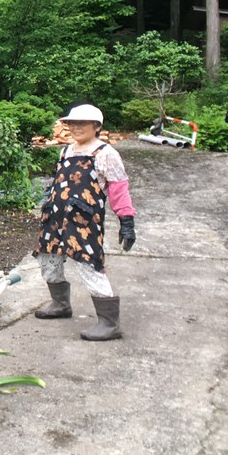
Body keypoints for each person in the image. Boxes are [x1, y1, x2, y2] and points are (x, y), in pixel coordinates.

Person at [33, 104, 136, 340]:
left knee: (89, 265)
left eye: (82, 123)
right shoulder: (66, 151)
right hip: (55, 217)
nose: (75, 128)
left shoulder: (106, 153)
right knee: (48, 260)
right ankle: (60, 304)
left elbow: (119, 190)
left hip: (83, 222)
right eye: (72, 124)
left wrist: (127, 222)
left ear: (97, 126)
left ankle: (110, 323)